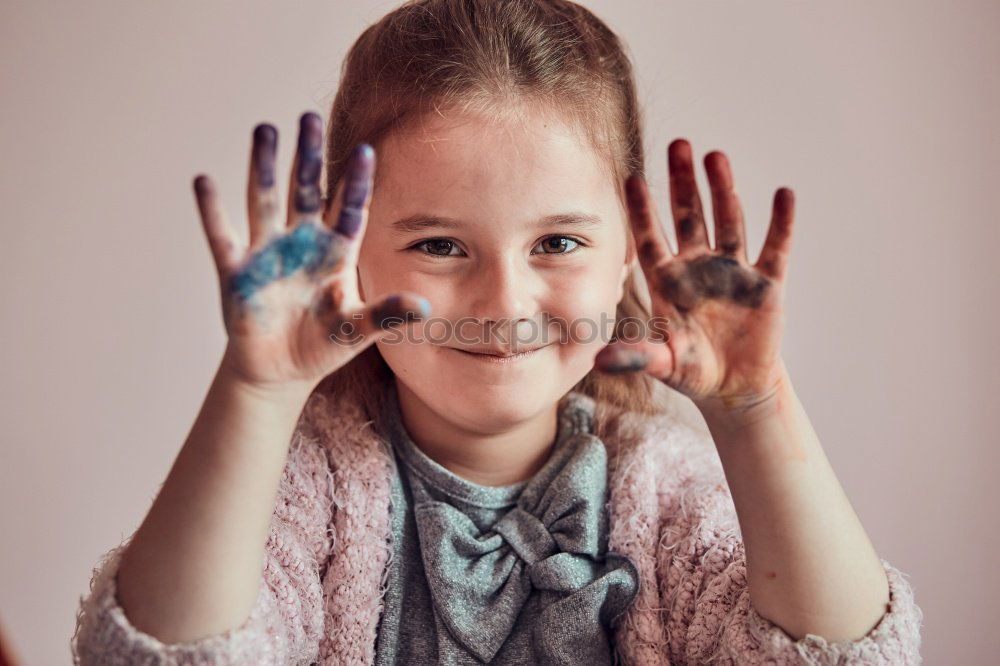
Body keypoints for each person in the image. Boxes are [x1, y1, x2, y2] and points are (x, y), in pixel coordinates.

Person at [71, 0, 924, 663]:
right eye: (439, 244)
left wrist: (756, 409)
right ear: (348, 251)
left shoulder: (663, 489)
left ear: (627, 250)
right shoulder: (313, 485)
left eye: (557, 242)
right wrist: (256, 393)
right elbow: (152, 658)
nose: (504, 302)